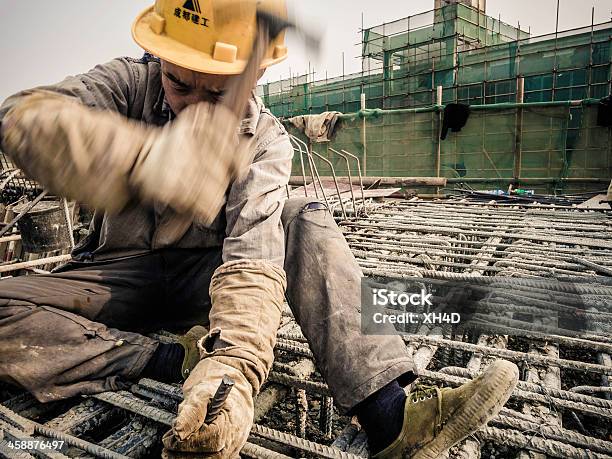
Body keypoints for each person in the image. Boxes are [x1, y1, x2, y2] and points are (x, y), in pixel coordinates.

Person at [0, 1, 519, 457]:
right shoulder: (125, 84)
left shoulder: (266, 140)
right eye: (179, 84)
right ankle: (166, 358)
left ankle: (392, 417)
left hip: (208, 282)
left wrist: (234, 368)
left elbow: (253, 259)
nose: (194, 103)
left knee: (302, 217)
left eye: (217, 90)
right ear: (160, 58)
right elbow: (20, 117)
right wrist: (142, 157)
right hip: (117, 276)